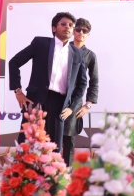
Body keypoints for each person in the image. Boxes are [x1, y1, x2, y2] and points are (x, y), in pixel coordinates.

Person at [9, 12, 88, 155]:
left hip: (60, 104)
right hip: (36, 100)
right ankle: (24, 169)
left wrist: (72, 107)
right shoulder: (41, 44)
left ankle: (51, 170)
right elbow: (14, 63)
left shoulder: (77, 53)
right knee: (28, 144)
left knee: (54, 147)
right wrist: (18, 91)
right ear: (54, 28)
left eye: (71, 25)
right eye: (63, 24)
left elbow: (82, 83)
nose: (68, 27)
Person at [62, 18, 99, 166]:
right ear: (73, 31)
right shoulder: (62, 49)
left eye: (85, 31)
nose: (81, 33)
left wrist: (87, 105)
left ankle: (67, 173)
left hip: (75, 101)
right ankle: (51, 173)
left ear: (88, 34)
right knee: (52, 138)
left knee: (69, 140)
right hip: (56, 97)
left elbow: (94, 81)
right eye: (78, 29)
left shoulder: (90, 55)